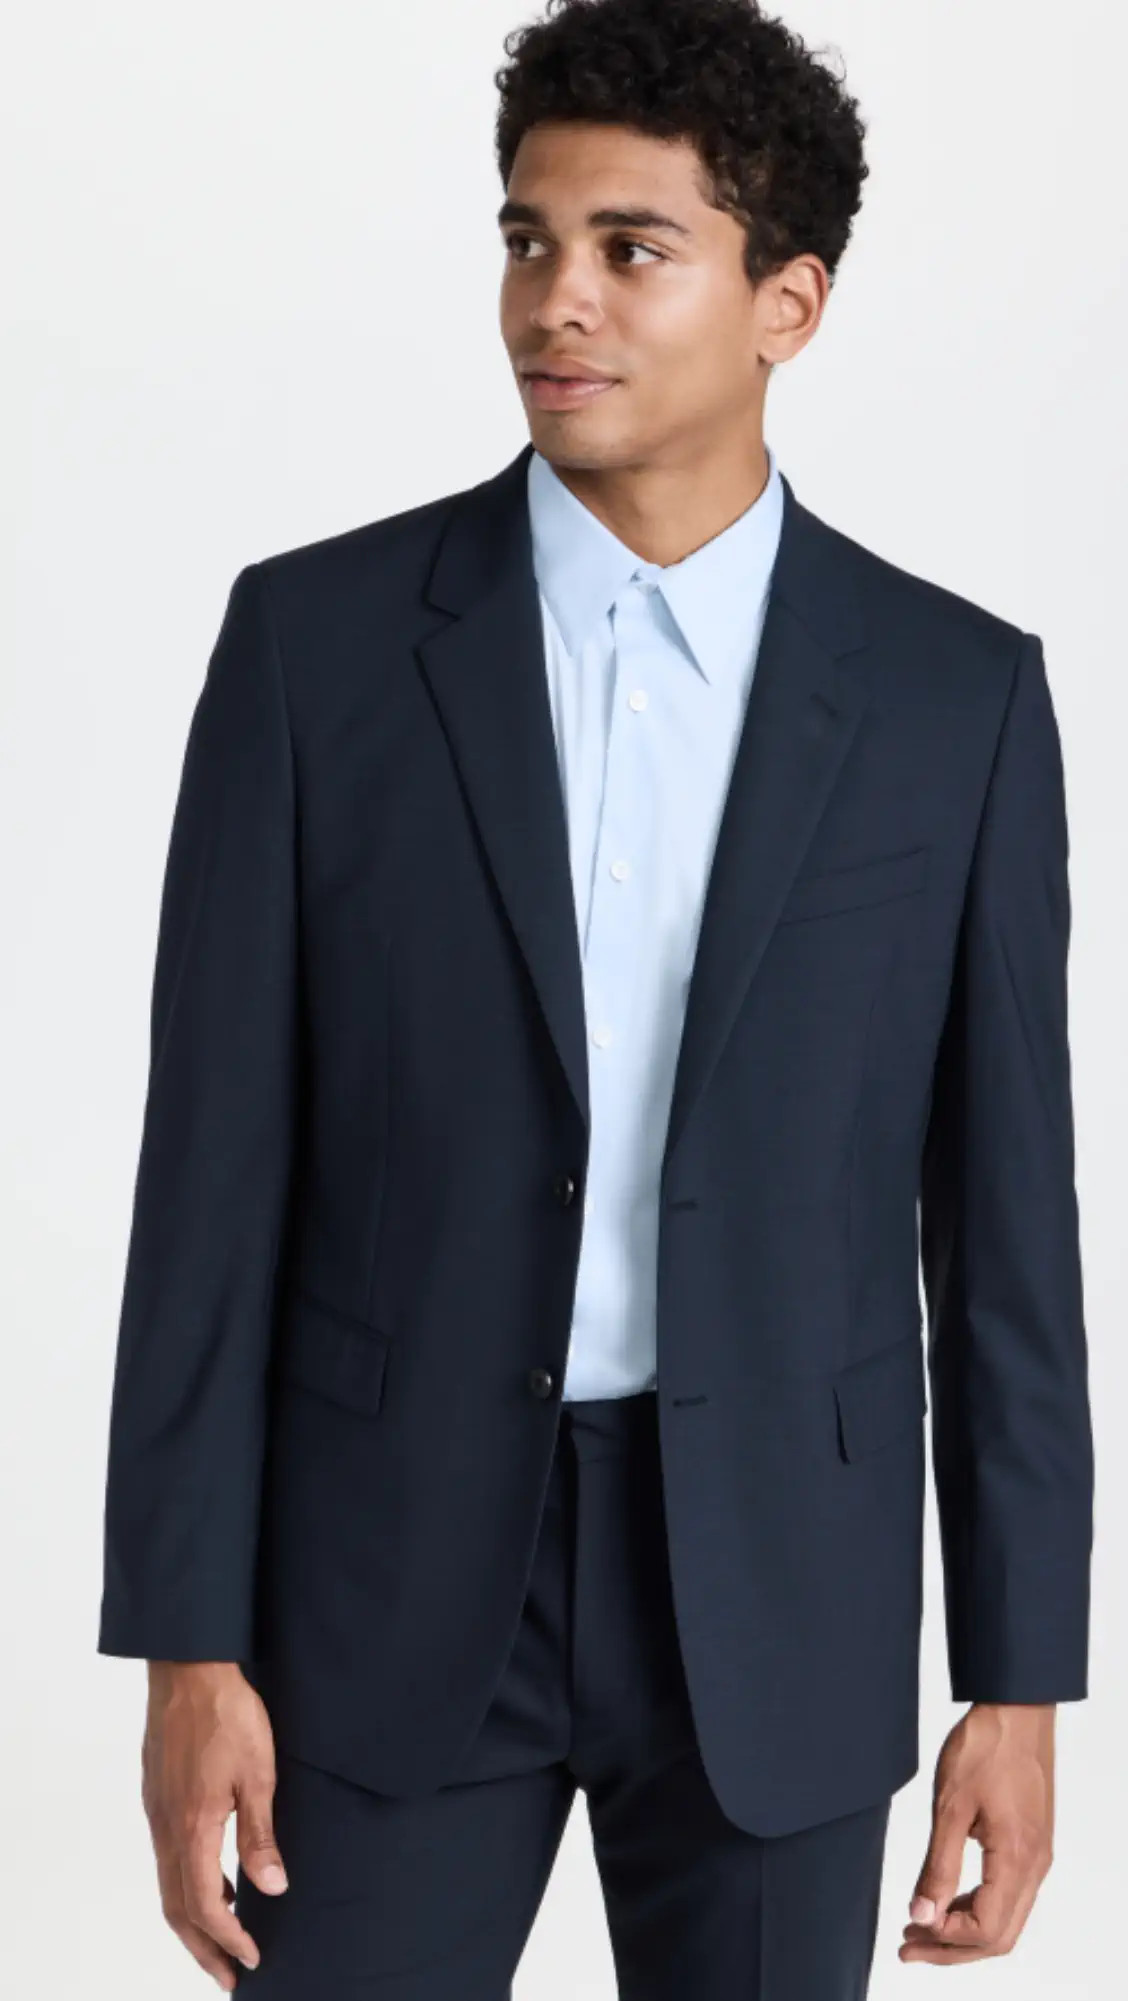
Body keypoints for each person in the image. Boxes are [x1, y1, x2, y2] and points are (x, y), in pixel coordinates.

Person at [97, 1, 1094, 1993]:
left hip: (782, 1588)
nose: (556, 299)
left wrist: (1022, 1675)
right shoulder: (318, 650)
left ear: (787, 302)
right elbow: (208, 1183)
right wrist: (185, 1644)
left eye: (633, 248)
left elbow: (1005, 1230)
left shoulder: (951, 699)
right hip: (384, 1575)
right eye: (528, 239)